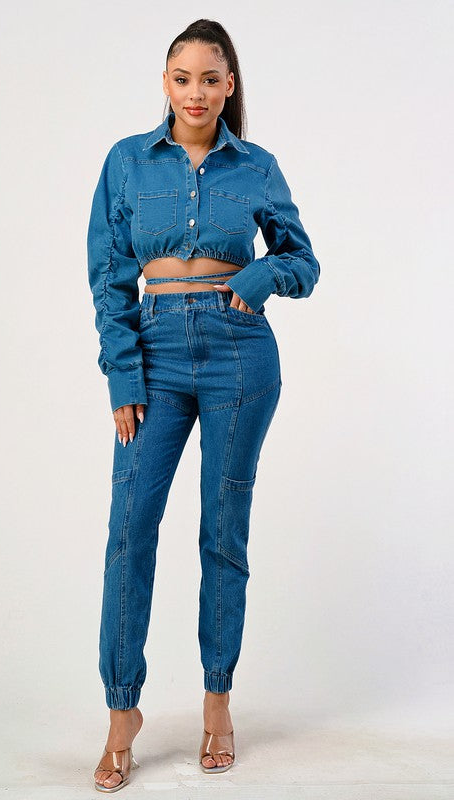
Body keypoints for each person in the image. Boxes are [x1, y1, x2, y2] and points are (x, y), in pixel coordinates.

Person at [86, 18, 320, 792]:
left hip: (239, 355)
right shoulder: (127, 161)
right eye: (182, 78)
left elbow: (301, 260)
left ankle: (217, 702)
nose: (195, 92)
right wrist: (122, 375)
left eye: (209, 79)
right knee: (129, 531)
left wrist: (261, 276)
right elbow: (108, 277)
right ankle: (122, 711)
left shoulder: (255, 166)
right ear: (165, 83)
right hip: (152, 353)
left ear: (228, 86)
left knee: (223, 533)